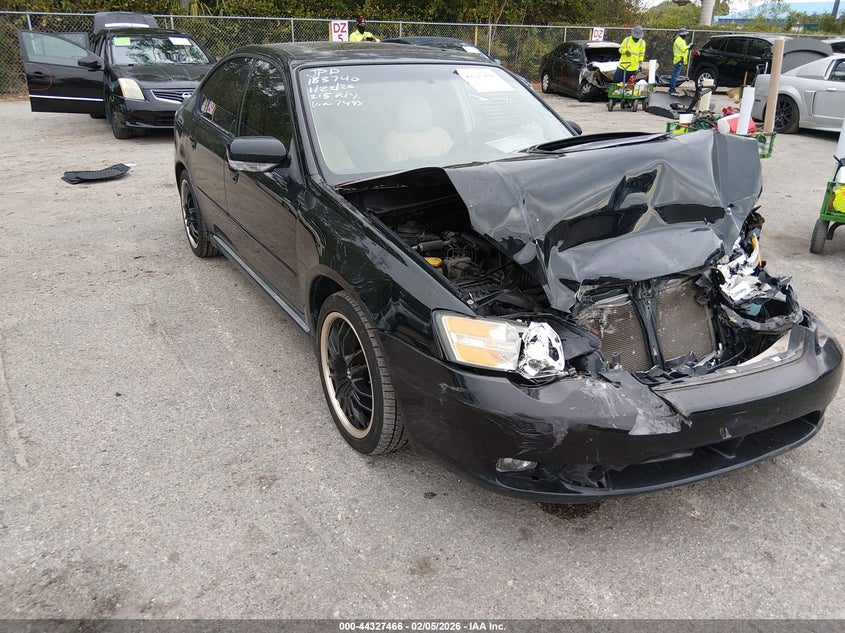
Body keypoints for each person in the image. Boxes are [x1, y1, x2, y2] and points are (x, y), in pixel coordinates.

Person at [669, 28, 692, 96]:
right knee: (675, 76)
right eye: (684, 34)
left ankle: (672, 89)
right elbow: (683, 49)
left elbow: (684, 49)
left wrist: (688, 47)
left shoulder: (681, 40)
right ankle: (672, 89)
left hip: (679, 59)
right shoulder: (679, 40)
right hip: (679, 60)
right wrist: (689, 46)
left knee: (675, 75)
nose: (685, 35)